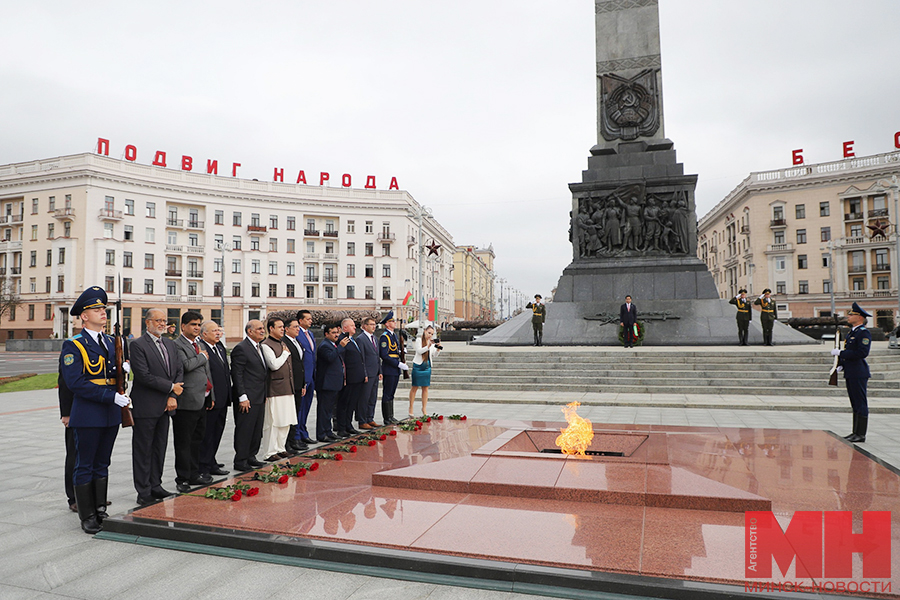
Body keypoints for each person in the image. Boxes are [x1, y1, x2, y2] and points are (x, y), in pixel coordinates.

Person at [59, 286, 129, 534]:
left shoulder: (112, 342)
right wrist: (110, 396)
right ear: (84, 316)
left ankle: (100, 508)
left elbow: (114, 376)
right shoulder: (74, 345)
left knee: (103, 462)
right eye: (97, 309)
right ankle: (87, 515)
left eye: (104, 309)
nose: (103, 313)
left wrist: (125, 371)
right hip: (88, 412)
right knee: (85, 464)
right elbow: (75, 382)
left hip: (110, 413)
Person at [129, 308, 184, 505]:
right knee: (144, 449)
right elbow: (143, 376)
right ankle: (143, 490)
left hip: (166, 405)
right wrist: (171, 387)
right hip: (146, 405)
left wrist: (172, 395)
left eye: (164, 320)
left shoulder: (169, 343)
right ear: (148, 323)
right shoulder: (137, 345)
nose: (162, 323)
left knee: (160, 447)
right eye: (158, 320)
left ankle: (156, 485)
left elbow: (178, 369)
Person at [172, 310, 214, 493]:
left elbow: (206, 372)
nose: (197, 328)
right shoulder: (177, 345)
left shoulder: (199, 344)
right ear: (183, 326)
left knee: (197, 440)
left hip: (201, 400)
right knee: (183, 442)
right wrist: (202, 357)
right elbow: (186, 366)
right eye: (193, 324)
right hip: (186, 402)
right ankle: (182, 478)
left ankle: (194, 473)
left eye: (199, 324)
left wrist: (210, 395)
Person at [230, 320, 269, 472]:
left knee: (256, 429)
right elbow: (237, 374)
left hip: (259, 396)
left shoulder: (259, 347)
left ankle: (251, 456)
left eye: (262, 328)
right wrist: (242, 396)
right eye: (259, 329)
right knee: (245, 429)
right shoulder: (241, 348)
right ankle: (241, 460)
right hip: (247, 398)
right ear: (249, 331)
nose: (262, 331)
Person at [832, 302, 872, 443]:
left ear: (860, 318)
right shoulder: (852, 333)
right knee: (855, 403)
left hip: (859, 372)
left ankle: (861, 434)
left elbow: (861, 352)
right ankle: (855, 432)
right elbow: (850, 352)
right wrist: (841, 364)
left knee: (860, 403)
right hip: (851, 372)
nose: (848, 316)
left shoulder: (863, 333)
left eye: (851, 314)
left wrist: (841, 353)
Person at [260, 317, 297, 461]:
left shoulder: (282, 343)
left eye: (283, 327)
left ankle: (281, 448)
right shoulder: (266, 345)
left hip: (287, 388)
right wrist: (285, 354)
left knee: (286, 420)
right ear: (271, 329)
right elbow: (274, 365)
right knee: (273, 422)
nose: (282, 329)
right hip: (275, 389)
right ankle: (269, 452)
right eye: (279, 327)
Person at [198, 321, 231, 478]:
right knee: (207, 433)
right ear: (204, 334)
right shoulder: (201, 348)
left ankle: (212, 461)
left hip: (222, 398)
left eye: (219, 330)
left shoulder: (219, 347)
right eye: (214, 331)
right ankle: (203, 465)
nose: (218, 333)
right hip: (211, 399)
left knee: (218, 431)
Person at [315, 323, 348, 443]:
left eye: (337, 332)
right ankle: (321, 433)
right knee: (324, 410)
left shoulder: (333, 344)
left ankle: (328, 431)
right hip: (326, 384)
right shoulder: (325, 345)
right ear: (326, 334)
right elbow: (330, 358)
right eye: (333, 333)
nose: (336, 335)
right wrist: (340, 347)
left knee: (329, 410)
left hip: (334, 383)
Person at [281, 316, 309, 453]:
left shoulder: (297, 341)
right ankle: (287, 443)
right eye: (295, 327)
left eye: (298, 327)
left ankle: (293, 441)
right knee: (289, 415)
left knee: (295, 414)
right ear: (286, 329)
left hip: (298, 384)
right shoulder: (283, 342)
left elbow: (300, 365)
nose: (298, 329)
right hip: (289, 385)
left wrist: (303, 383)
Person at [337, 317, 367, 436]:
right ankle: (341, 427)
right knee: (344, 403)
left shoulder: (352, 340)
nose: (355, 327)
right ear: (345, 328)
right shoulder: (342, 341)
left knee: (352, 403)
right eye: (352, 325)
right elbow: (342, 359)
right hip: (349, 378)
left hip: (357, 377)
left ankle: (348, 425)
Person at [378, 311, 408, 424]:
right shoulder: (385, 337)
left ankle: (391, 416)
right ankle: (386, 418)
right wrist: (397, 364)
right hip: (389, 368)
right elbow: (384, 355)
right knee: (387, 393)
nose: (394, 323)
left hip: (395, 369)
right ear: (386, 324)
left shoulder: (393, 335)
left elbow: (394, 350)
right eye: (392, 321)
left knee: (392, 393)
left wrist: (401, 351)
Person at [408, 325, 442, 418]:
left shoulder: (431, 342)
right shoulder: (419, 340)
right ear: (424, 331)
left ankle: (424, 408)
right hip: (418, 366)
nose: (430, 335)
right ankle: (411, 407)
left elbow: (434, 355)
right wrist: (428, 346)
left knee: (425, 388)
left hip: (427, 367)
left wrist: (438, 348)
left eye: (431, 333)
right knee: (414, 387)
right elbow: (419, 351)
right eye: (428, 333)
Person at [294, 310, 317, 445]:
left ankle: (303, 431)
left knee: (307, 406)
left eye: (311, 318)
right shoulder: (297, 334)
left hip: (311, 376)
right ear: (300, 320)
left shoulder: (311, 334)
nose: (310, 321)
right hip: (302, 377)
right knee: (300, 407)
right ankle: (296, 435)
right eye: (307, 319)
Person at [356, 316, 382, 429]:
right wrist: (364, 373)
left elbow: (377, 356)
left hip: (375, 372)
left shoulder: (374, 338)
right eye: (371, 324)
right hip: (367, 373)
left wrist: (380, 371)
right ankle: (362, 420)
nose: (374, 326)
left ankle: (370, 418)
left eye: (374, 324)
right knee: (364, 398)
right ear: (364, 326)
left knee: (373, 397)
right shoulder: (361, 339)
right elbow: (361, 358)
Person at [58, 372, 77, 512]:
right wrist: (66, 413)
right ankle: (74, 497)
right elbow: (64, 383)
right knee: (74, 454)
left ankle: (93, 495)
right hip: (75, 410)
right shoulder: (71, 349)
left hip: (95, 407)